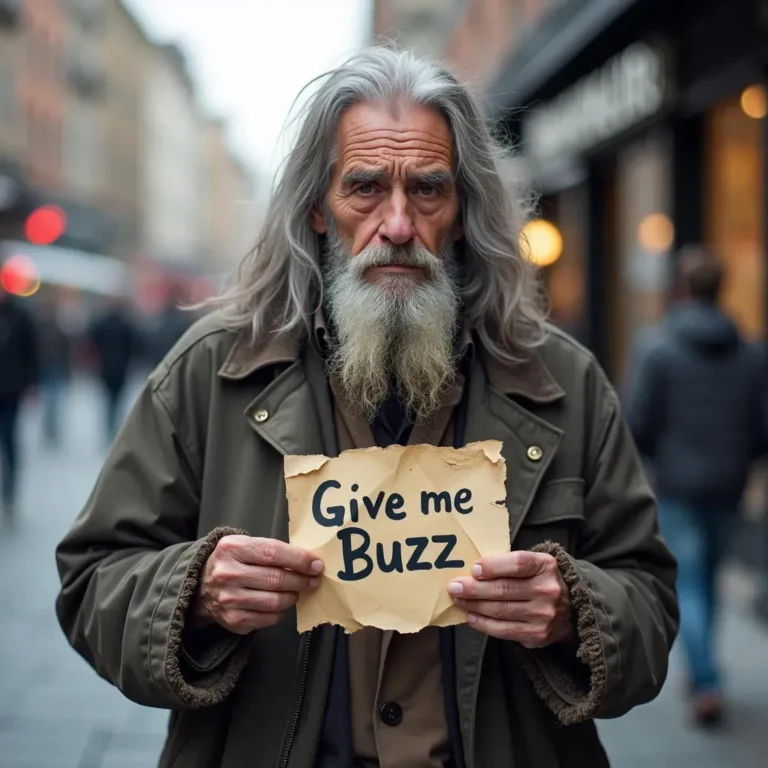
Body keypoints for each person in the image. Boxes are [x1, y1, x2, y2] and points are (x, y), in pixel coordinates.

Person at [55, 48, 678, 768]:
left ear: (464, 208)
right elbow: (92, 579)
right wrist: (192, 593)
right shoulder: (212, 371)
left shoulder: (563, 381)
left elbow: (652, 606)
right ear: (318, 208)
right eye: (365, 188)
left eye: (428, 190)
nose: (398, 223)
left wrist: (577, 612)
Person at [625, 245, 768, 727]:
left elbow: (638, 419)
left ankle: (705, 679)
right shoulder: (750, 352)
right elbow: (763, 426)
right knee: (708, 580)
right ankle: (704, 667)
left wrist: (656, 458)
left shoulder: (657, 346)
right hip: (730, 483)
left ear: (681, 288)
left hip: (678, 481)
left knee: (691, 581)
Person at [0, 286, 39, 519]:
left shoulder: (20, 316)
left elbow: (31, 351)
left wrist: (31, 384)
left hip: (11, 390)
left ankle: (10, 495)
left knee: (10, 441)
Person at [88, 296, 136, 443]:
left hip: (105, 367)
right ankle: (115, 428)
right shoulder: (126, 324)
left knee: (108, 400)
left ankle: (109, 428)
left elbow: (92, 340)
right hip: (121, 367)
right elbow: (134, 345)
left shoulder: (102, 324)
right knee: (118, 400)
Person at [35, 292, 72, 448]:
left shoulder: (58, 328)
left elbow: (65, 351)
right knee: (50, 402)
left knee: (52, 402)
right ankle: (49, 430)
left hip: (55, 369)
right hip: (46, 369)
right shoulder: (38, 328)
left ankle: (51, 430)